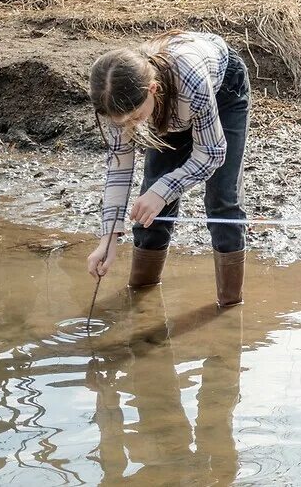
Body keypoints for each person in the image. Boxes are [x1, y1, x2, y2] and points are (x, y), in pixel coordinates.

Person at [85, 30, 251, 307]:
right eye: (122, 122)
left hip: (223, 92)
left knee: (222, 201)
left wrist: (162, 192)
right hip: (169, 106)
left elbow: (211, 154)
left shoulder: (192, 83)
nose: (131, 126)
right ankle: (140, 296)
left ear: (152, 89)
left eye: (136, 118)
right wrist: (108, 238)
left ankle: (230, 306)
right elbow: (119, 170)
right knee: (149, 203)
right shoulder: (117, 98)